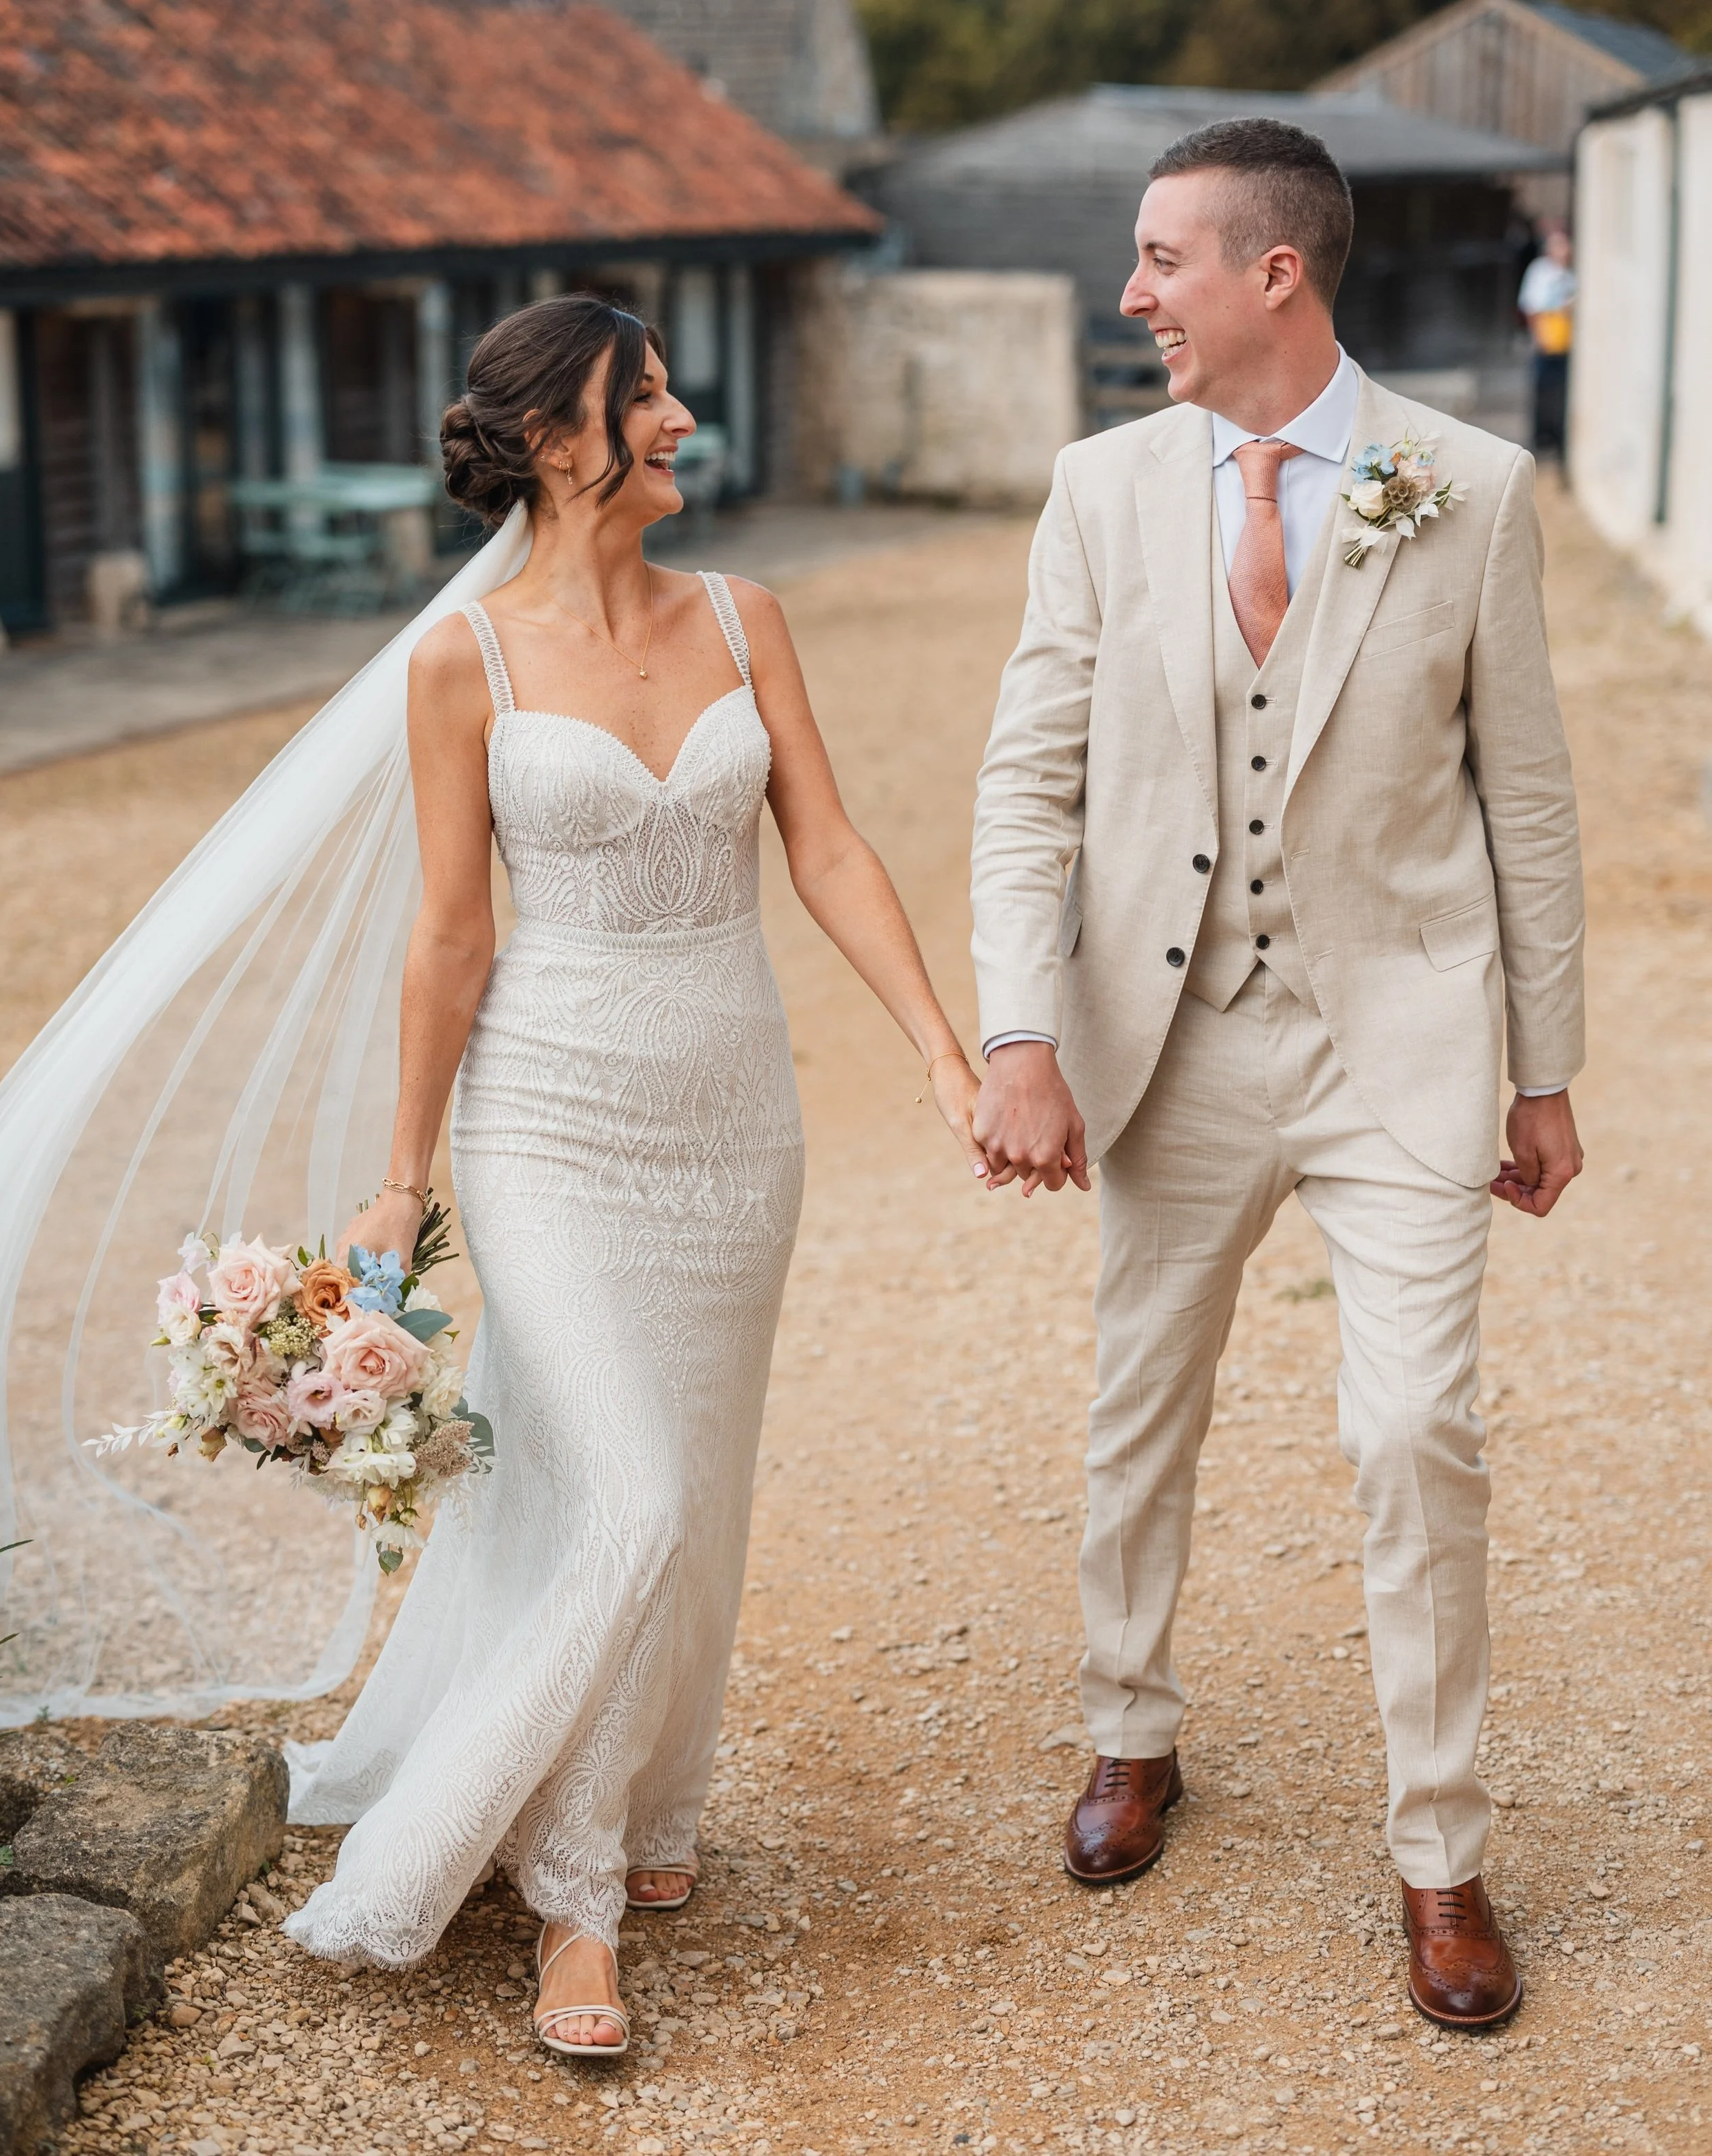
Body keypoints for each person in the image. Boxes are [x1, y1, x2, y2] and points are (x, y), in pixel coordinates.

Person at [279, 296, 985, 2050]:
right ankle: (562, 1898)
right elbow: (450, 937)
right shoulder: (470, 662)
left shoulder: (748, 620)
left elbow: (824, 842)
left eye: (672, 382)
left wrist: (941, 1049)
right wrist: (396, 1177)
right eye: (645, 393)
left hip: (735, 1118)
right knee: (634, 1494)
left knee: (696, 1471)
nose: (682, 414)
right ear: (557, 437)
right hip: (552, 1118)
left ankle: (651, 1802)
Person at [970, 120, 1584, 2032]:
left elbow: (1530, 800)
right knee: (1138, 1397)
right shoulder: (1094, 488)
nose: (1133, 293)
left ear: (1272, 273)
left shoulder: (1463, 488)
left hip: (1399, 1033)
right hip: (1166, 1036)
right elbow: (1028, 780)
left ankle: (1440, 1853)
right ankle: (1129, 1724)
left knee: (1417, 1430)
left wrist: (1541, 1068)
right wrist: (1018, 1032)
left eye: (1160, 259)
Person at [1518, 224, 1575, 460]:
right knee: (1544, 389)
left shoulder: (1572, 274)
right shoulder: (1541, 271)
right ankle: (1543, 436)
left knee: (1562, 391)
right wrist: (1538, 334)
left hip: (1565, 341)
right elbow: (1531, 305)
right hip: (1547, 339)